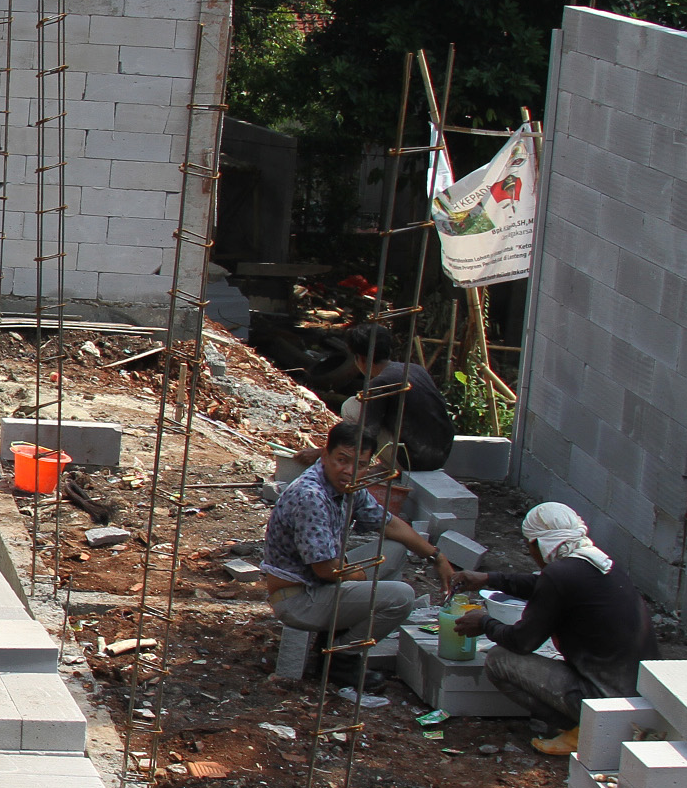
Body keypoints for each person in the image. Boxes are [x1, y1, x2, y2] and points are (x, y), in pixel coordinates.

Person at [451, 503, 661, 757]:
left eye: (528, 545)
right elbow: (544, 585)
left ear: (538, 544)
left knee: (499, 660)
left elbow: (522, 642)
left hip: (603, 701)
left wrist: (484, 623)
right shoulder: (598, 563)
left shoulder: (560, 575)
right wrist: (489, 579)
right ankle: (587, 724)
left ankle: (582, 729)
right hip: (638, 697)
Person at [262, 420, 452, 660]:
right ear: (325, 456)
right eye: (342, 460)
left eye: (360, 465)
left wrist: (437, 556)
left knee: (394, 549)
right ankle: (341, 657)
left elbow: (389, 524)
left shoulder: (348, 486)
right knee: (401, 597)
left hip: (321, 582)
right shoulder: (311, 496)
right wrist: (361, 577)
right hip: (298, 598)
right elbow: (326, 570)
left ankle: (340, 630)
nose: (350, 471)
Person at [293, 324, 454, 473]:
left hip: (415, 461)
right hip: (441, 454)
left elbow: (366, 434)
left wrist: (322, 453)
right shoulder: (415, 369)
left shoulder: (379, 383)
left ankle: (390, 465)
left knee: (351, 407)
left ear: (361, 358)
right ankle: (387, 463)